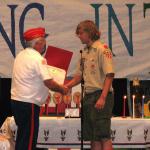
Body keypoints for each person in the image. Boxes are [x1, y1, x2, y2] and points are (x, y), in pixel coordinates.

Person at [11, 27, 68, 150]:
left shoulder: (21, 55)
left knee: (22, 137)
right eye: (43, 41)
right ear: (37, 43)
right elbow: (49, 82)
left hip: (17, 101)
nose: (44, 45)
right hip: (28, 104)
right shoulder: (38, 59)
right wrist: (62, 89)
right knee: (29, 140)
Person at [65, 20, 115, 150]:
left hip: (101, 94)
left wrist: (103, 97)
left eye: (81, 33)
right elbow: (78, 76)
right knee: (93, 135)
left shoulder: (102, 49)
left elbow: (109, 75)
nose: (79, 36)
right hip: (88, 96)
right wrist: (66, 87)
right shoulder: (84, 52)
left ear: (89, 32)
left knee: (104, 134)